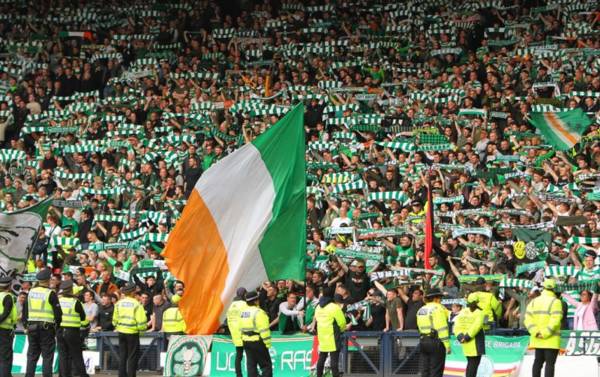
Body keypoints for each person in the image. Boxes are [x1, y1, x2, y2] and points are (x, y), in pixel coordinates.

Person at [23, 268, 62, 377]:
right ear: (48, 280)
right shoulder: (50, 293)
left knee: (32, 356)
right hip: (46, 329)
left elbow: (25, 311)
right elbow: (58, 314)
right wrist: (57, 327)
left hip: (31, 327)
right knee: (47, 356)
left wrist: (26, 325)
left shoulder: (30, 292)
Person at [524, 279, 563, 377]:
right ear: (554, 289)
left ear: (543, 288)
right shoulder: (556, 302)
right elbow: (555, 320)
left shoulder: (533, 302)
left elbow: (527, 320)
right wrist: (545, 333)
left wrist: (536, 332)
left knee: (537, 362)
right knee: (550, 365)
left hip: (537, 338)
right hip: (551, 340)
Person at [112, 283, 147, 377]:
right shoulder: (136, 304)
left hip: (121, 332)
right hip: (132, 332)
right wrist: (142, 328)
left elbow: (114, 320)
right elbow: (141, 322)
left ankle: (121, 375)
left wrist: (118, 326)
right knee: (132, 357)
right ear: (132, 292)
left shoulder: (119, 303)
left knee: (122, 355)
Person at [57, 280, 89, 377]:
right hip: (72, 332)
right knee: (77, 355)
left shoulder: (58, 301)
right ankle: (83, 375)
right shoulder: (76, 302)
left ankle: (63, 375)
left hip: (60, 331)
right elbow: (83, 318)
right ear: (71, 290)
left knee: (63, 355)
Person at [314, 286, 347, 377]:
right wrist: (341, 330)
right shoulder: (334, 307)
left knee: (321, 359)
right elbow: (342, 322)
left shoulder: (318, 307)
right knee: (334, 362)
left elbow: (316, 319)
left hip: (322, 336)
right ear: (332, 295)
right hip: (333, 336)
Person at [416, 288, 450, 377]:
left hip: (423, 340)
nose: (440, 300)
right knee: (436, 370)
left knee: (425, 370)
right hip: (436, 342)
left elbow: (419, 326)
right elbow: (442, 328)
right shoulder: (438, 308)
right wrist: (447, 345)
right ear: (435, 298)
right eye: (440, 298)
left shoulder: (421, 309)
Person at [239, 290, 272, 377]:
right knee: (266, 366)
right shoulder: (259, 312)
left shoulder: (243, 313)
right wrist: (267, 344)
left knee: (251, 366)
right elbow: (264, 330)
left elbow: (240, 327)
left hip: (246, 342)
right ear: (256, 301)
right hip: (258, 342)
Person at [453, 295, 485, 377]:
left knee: (470, 364)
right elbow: (476, 327)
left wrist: (460, 336)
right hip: (475, 342)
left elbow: (457, 325)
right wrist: (467, 337)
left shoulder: (463, 312)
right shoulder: (480, 312)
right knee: (473, 366)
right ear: (477, 302)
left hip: (465, 342)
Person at [226, 287, 248, 377]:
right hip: (244, 333)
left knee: (239, 356)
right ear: (244, 294)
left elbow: (228, 320)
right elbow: (247, 317)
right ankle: (254, 373)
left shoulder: (230, 306)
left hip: (235, 334)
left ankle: (238, 375)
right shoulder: (244, 304)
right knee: (251, 355)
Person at [0, 276, 17, 377]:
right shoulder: (8, 296)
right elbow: (5, 314)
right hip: (4, 331)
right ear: (9, 285)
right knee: (5, 357)